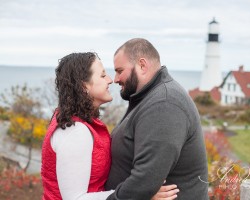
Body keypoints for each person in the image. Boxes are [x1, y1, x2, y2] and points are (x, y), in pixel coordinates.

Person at [41, 52, 179, 200]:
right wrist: (140, 196)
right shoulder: (75, 131)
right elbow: (75, 198)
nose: (110, 80)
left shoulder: (80, 122)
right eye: (102, 75)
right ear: (83, 86)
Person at [105, 38, 209, 199]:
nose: (115, 79)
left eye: (119, 70)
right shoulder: (148, 98)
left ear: (142, 65)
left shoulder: (165, 104)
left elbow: (145, 180)